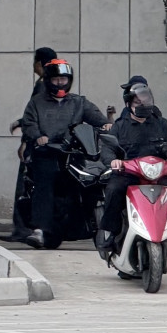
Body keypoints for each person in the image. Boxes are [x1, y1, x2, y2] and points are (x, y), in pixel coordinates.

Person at [18, 59, 110, 250]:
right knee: (45, 183)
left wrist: (106, 125)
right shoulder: (36, 103)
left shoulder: (79, 102)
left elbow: (96, 118)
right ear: (48, 80)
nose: (60, 83)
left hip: (73, 153)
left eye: (63, 79)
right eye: (56, 79)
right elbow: (28, 123)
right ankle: (40, 230)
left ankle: (96, 225)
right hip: (47, 153)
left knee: (91, 179)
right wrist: (38, 136)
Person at [96, 84, 167, 260]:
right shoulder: (120, 126)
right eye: (137, 102)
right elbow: (108, 148)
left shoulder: (161, 124)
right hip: (128, 174)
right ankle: (111, 233)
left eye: (145, 101)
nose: (142, 105)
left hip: (157, 174)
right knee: (114, 190)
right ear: (128, 104)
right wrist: (113, 161)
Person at [0, 47, 58, 243]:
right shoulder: (54, 85)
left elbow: (35, 117)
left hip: (36, 143)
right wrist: (20, 121)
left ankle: (23, 228)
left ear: (40, 64)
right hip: (47, 143)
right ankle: (29, 228)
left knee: (24, 185)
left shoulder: (43, 86)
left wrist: (25, 141)